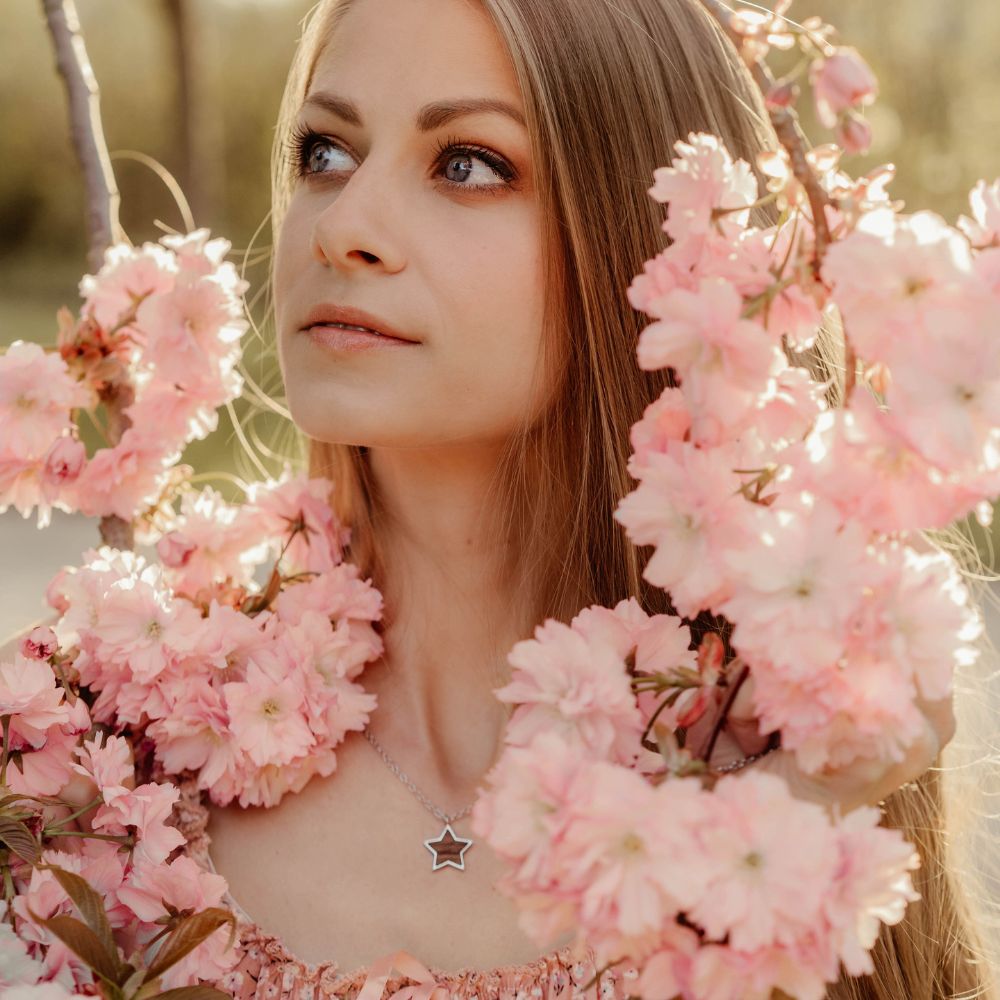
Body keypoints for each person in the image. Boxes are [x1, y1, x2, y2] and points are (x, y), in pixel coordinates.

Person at [7, 0, 995, 996]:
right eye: (324, 153)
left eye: (467, 164)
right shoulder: (95, 759)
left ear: (654, 245)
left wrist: (780, 828)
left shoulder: (789, 772)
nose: (343, 227)